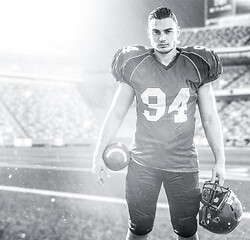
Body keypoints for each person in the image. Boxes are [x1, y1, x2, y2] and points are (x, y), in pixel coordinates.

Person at [92, 6, 226, 240]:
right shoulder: (134, 63)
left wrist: (220, 161)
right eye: (156, 32)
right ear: (149, 33)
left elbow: (209, 117)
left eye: (167, 31)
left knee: (187, 232)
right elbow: (116, 113)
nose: (162, 37)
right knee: (138, 229)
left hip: (183, 164)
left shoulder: (197, 63)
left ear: (177, 32)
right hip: (143, 163)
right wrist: (97, 155)